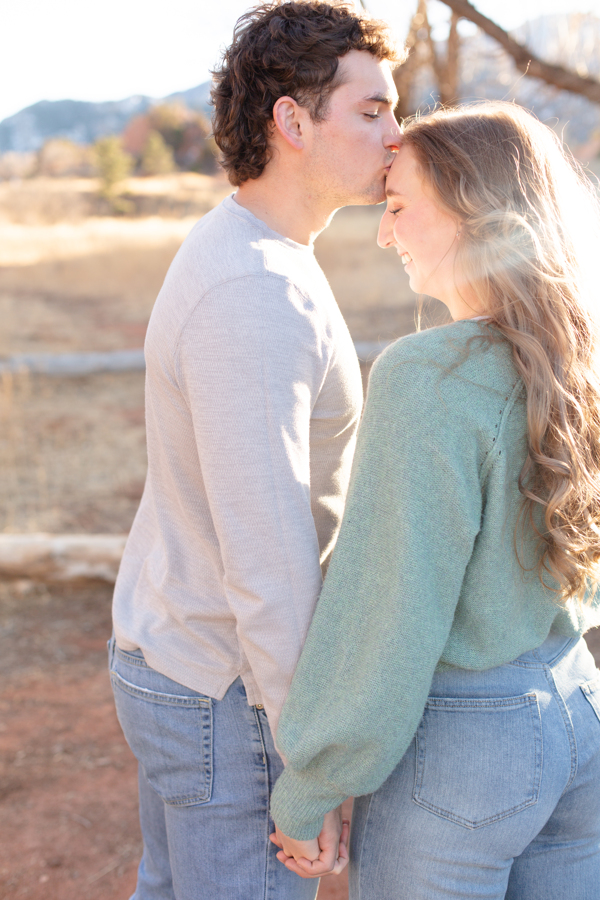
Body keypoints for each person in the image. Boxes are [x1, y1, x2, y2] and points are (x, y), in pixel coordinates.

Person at [270, 101, 600, 899]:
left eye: (397, 207)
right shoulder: (575, 358)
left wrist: (314, 784)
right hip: (575, 714)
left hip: (464, 756)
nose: (386, 235)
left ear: (473, 212)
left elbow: (389, 607)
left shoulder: (429, 376)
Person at [108, 2, 402, 898]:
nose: (398, 133)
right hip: (226, 692)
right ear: (292, 122)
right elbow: (268, 558)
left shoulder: (261, 247)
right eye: (371, 111)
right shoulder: (255, 293)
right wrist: (313, 759)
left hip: (186, 658)